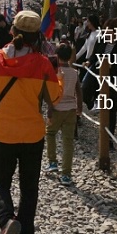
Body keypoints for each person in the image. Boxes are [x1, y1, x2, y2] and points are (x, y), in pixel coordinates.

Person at [0, 10, 63, 234]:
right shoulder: (43, 64)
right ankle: (26, 227)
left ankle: (7, 220)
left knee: (0, 182)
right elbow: (55, 98)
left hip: (2, 131)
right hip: (33, 134)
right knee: (29, 186)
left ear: (12, 31)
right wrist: (57, 74)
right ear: (37, 35)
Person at [45, 42, 81, 186]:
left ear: (57, 56)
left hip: (56, 108)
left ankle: (52, 161)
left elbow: (51, 92)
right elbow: (79, 91)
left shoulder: (55, 72)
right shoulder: (75, 72)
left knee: (50, 133)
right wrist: (79, 107)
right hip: (71, 110)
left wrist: (49, 109)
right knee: (68, 142)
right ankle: (66, 174)